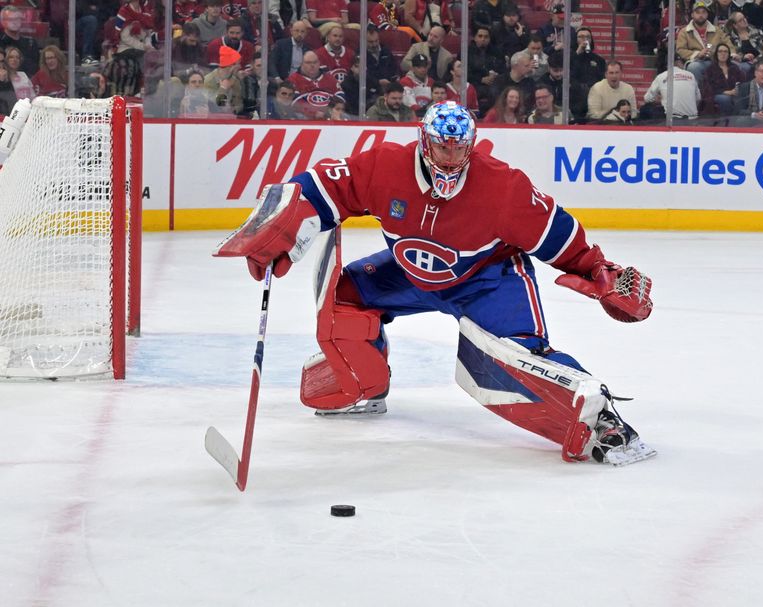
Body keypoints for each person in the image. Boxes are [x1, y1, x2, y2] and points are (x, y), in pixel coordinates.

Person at [220, 101, 655, 467]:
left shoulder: (503, 188)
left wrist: (601, 273)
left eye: (458, 146)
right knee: (343, 301)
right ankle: (365, 386)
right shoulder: (384, 165)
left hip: (488, 281)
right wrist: (279, 219)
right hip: (410, 273)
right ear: (423, 139)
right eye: (441, 145)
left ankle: (603, 423)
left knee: (519, 359)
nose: (450, 156)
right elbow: (324, 186)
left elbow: (562, 238)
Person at [676, 0, 733, 86]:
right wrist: (698, 54)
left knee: (736, 65)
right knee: (694, 67)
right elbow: (680, 50)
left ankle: (726, 93)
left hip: (717, 60)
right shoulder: (684, 32)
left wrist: (733, 54)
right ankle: (700, 96)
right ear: (692, 15)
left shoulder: (717, 30)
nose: (701, 15)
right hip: (696, 61)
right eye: (697, 12)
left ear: (707, 15)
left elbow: (727, 43)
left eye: (703, 12)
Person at [287, 50, 343, 119]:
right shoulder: (293, 79)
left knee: (345, 117)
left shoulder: (329, 78)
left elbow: (340, 96)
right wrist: (313, 112)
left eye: (315, 62)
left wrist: (330, 111)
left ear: (319, 63)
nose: (312, 65)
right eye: (308, 63)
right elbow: (294, 102)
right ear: (301, 64)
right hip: (305, 116)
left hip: (330, 114)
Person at [643, 56, 701, 121]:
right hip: (693, 119)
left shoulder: (661, 76)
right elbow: (698, 98)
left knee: (645, 108)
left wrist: (660, 99)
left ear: (667, 65)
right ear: (680, 63)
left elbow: (647, 98)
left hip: (672, 120)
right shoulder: (691, 75)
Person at [701, 42, 745, 115]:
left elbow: (742, 82)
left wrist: (737, 90)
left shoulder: (734, 68)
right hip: (716, 95)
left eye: (725, 51)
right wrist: (724, 92)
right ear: (716, 54)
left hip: (734, 94)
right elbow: (707, 88)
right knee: (725, 99)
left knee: (740, 99)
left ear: (728, 54)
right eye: (720, 51)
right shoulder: (710, 69)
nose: (723, 54)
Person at [733, 59, 763, 126]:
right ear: (755, 73)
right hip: (749, 121)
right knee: (741, 121)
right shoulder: (744, 88)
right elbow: (738, 110)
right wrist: (754, 115)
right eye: (762, 71)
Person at [0, 6, 40, 77]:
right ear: (2, 22)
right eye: (10, 19)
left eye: (17, 19)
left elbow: (37, 68)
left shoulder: (31, 43)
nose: (15, 22)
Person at [204, 45, 245, 114]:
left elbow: (239, 103)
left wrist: (234, 110)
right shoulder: (208, 81)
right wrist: (223, 88)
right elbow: (216, 107)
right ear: (230, 66)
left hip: (232, 119)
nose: (240, 67)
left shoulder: (235, 80)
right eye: (238, 64)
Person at [725, 10, 763, 77]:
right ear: (735, 25)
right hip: (742, 62)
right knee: (745, 68)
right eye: (740, 20)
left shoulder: (756, 32)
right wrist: (744, 57)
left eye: (744, 18)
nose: (744, 20)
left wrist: (757, 59)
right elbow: (732, 54)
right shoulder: (730, 38)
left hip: (760, 60)